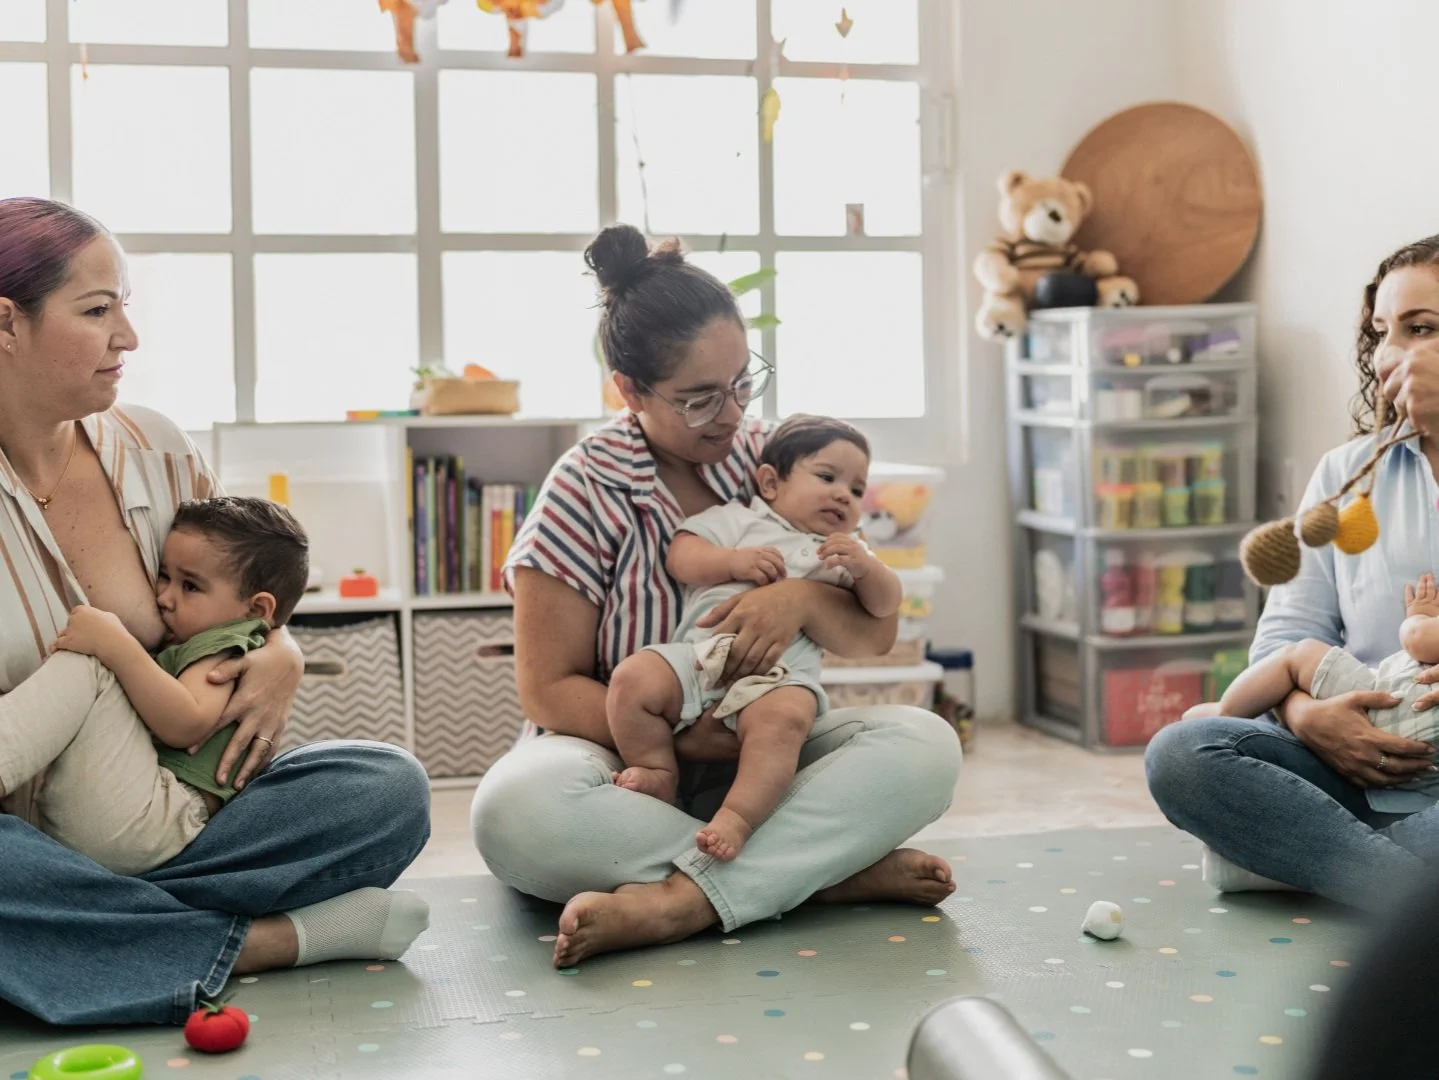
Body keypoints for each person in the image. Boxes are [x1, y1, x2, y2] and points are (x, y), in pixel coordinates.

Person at [470, 223, 962, 969]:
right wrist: (678, 741)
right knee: (515, 814)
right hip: (624, 752)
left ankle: (683, 901)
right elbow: (545, 690)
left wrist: (796, 601)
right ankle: (817, 874)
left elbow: (867, 638)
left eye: (741, 382)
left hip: (766, 741)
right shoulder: (583, 487)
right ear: (628, 391)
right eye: (700, 399)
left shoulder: (774, 462)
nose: (731, 415)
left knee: (926, 744)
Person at [0, 197, 431, 1026]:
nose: (129, 336)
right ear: (6, 324)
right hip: (16, 843)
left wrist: (282, 651)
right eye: (98, 311)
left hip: (171, 824)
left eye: (125, 305)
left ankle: (73, 935)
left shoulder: (156, 449)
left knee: (385, 788)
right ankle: (263, 940)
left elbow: (245, 598)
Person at [1146, 235, 1439, 912]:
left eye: (1421, 329)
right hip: (1349, 765)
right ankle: (1404, 897)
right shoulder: (1344, 476)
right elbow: (1284, 641)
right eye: (1383, 333)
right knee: (1183, 752)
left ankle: (1318, 865)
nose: (1394, 354)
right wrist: (1309, 718)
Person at [608, 414, 903, 861]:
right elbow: (682, 556)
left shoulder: (843, 551)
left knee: (783, 724)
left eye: (858, 489)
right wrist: (731, 563)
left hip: (779, 679)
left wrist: (867, 567)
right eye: (827, 477)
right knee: (632, 679)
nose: (844, 494)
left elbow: (884, 607)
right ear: (769, 482)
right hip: (699, 659)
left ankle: (739, 818)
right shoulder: (740, 521)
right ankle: (657, 768)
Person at [1200, 572, 1439, 804]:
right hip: (1425, 767)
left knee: (1299, 656)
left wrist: (1420, 617)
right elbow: (1281, 633)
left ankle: (1224, 711)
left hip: (1393, 706)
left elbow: (1417, 638)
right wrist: (1300, 713)